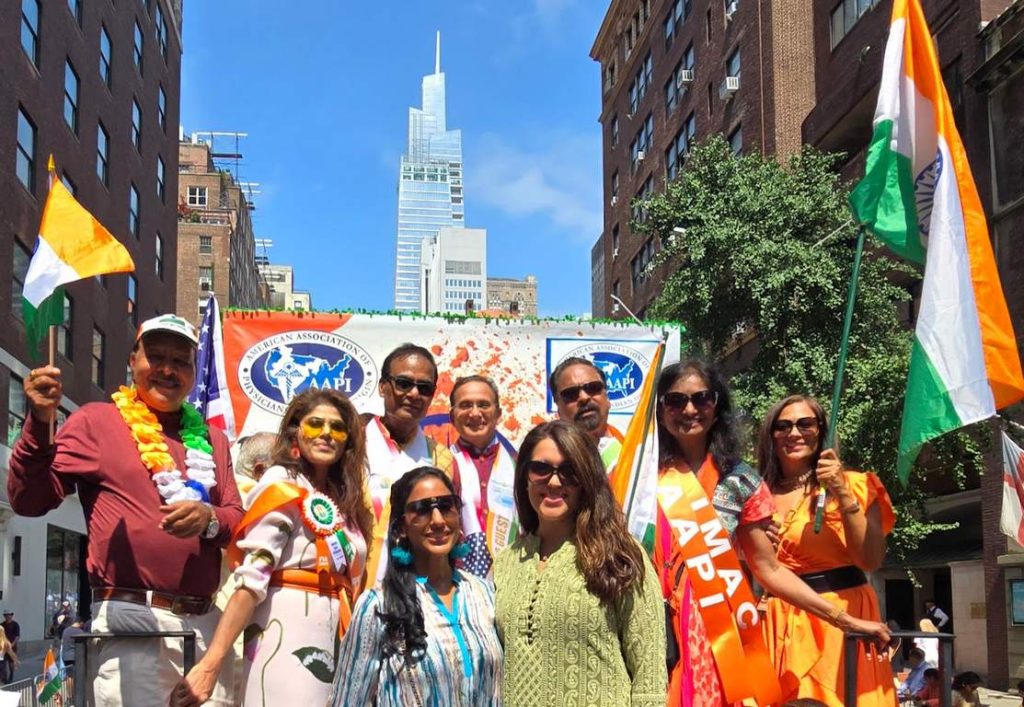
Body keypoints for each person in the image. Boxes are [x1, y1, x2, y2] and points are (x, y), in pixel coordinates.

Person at [8, 313, 244, 706]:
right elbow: (29, 500)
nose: (168, 370)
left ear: (192, 371)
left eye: (181, 361)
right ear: (133, 361)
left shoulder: (212, 439)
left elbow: (236, 517)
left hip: (205, 628)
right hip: (132, 624)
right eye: (156, 356)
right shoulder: (96, 422)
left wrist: (209, 519)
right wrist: (39, 422)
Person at [655, 363, 889, 706]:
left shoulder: (742, 482)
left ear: (717, 407)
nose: (689, 409)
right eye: (675, 400)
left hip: (715, 634)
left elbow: (769, 569)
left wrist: (846, 619)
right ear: (660, 411)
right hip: (647, 620)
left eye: (702, 398)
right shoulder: (638, 476)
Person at [172, 389, 373, 707]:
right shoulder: (281, 483)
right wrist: (210, 665)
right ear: (296, 431)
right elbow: (252, 579)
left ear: (348, 440)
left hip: (338, 638)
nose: (325, 433)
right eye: (315, 424)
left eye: (337, 427)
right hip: (285, 634)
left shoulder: (344, 500)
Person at [494, 420, 666, 706]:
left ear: (587, 479)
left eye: (569, 471)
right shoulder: (506, 561)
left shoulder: (620, 554)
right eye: (541, 469)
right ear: (524, 476)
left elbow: (649, 676)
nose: (553, 481)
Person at [757, 393, 897, 706]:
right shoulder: (755, 493)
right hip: (778, 620)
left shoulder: (858, 484)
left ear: (821, 429)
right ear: (770, 435)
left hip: (843, 614)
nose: (794, 433)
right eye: (783, 426)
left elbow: (870, 560)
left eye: (805, 423)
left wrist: (842, 493)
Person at [331, 466, 502, 706]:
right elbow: (348, 700)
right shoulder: (379, 606)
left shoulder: (485, 595)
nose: (438, 520)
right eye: (421, 510)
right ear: (401, 527)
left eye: (446, 506)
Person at [364, 344, 455, 580]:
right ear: (383, 387)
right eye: (403, 383)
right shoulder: (353, 445)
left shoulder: (442, 458)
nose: (414, 394)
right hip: (358, 589)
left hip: (420, 594)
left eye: (423, 388)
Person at [449, 375, 517, 577]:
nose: (475, 413)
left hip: (512, 578)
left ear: (498, 414)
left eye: (484, 405)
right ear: (452, 416)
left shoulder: (521, 463)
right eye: (466, 405)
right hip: (457, 581)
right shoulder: (440, 463)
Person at [549, 357, 623, 470]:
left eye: (593, 388)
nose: (584, 397)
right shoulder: (545, 459)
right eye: (570, 393)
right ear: (558, 405)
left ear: (607, 397)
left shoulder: (639, 453)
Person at [1, 611, 19, 684]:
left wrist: (13, 644)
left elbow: (17, 636)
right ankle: (4, 678)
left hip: (12, 646)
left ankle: (11, 676)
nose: (7, 616)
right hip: (3, 647)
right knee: (2, 663)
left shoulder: (15, 624)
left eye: (9, 615)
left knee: (11, 663)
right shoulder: (2, 625)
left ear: (12, 615)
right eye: (5, 615)